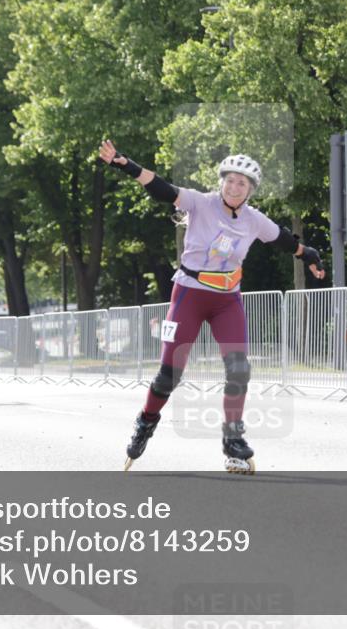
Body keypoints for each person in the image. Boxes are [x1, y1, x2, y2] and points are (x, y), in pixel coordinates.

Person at [99, 139, 324, 473]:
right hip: (189, 294)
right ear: (222, 182)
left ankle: (232, 437)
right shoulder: (201, 203)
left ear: (250, 190)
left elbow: (284, 241)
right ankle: (146, 422)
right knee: (168, 375)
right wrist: (127, 165)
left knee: (239, 368)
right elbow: (163, 188)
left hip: (226, 300)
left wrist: (308, 255)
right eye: (230, 180)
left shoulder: (253, 219)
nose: (234, 187)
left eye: (242, 183)